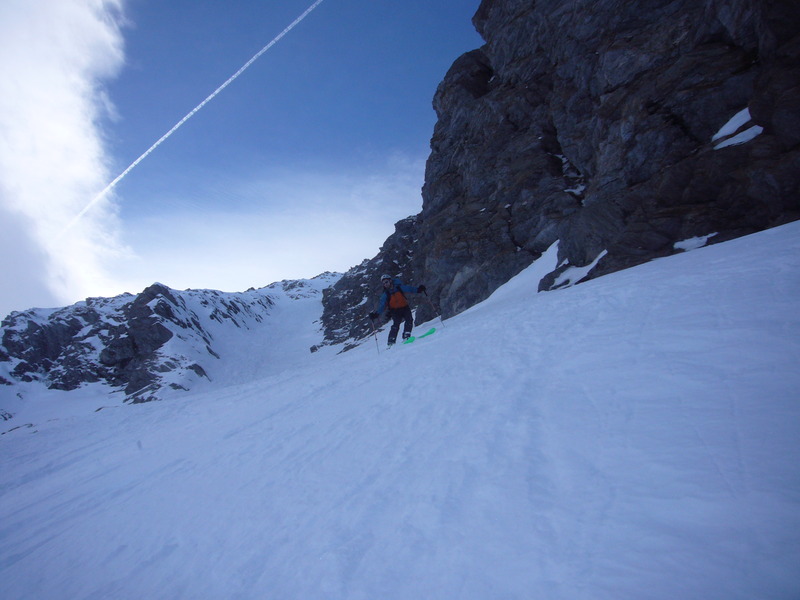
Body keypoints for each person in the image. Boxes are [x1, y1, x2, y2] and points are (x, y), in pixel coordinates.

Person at [369, 274, 426, 346]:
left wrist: (418, 290)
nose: (385, 284)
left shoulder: (399, 288)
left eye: (386, 282)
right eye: (383, 283)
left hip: (405, 307)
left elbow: (409, 289)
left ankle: (406, 335)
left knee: (409, 320)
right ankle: (391, 341)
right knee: (396, 325)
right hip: (395, 311)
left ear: (390, 281)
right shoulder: (386, 294)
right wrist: (376, 314)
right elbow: (382, 305)